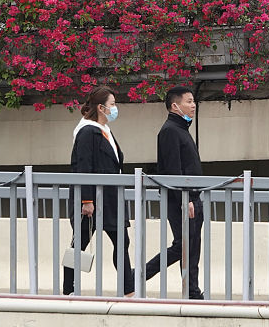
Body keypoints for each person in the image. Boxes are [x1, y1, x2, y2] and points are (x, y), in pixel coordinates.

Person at [63, 86, 134, 297]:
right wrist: (86, 200)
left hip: (111, 198)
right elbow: (83, 166)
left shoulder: (105, 131)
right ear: (101, 108)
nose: (115, 108)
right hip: (93, 199)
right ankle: (69, 290)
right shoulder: (87, 131)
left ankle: (129, 291)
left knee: (122, 242)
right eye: (112, 104)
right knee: (80, 244)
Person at [143, 85, 205, 299]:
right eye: (189, 101)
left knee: (192, 246)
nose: (193, 105)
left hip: (192, 196)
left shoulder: (181, 129)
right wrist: (184, 198)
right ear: (174, 105)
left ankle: (193, 291)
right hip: (182, 199)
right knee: (183, 245)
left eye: (193, 101)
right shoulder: (170, 130)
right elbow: (172, 170)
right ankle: (137, 276)